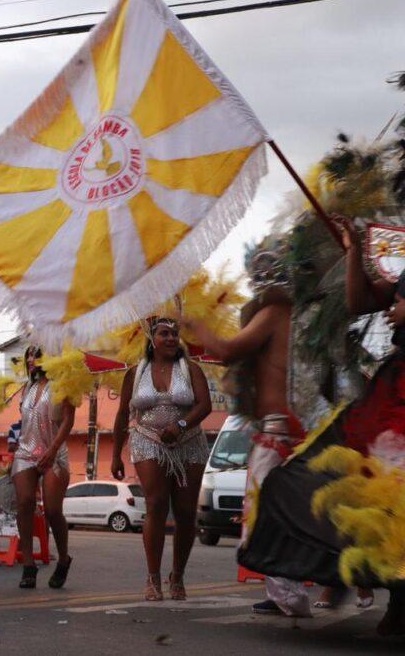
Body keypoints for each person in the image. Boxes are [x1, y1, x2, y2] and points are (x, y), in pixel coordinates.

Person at [183, 260, 313, 618]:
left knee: (265, 515)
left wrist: (195, 326)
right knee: (291, 514)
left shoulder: (275, 313)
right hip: (305, 429)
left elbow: (227, 351)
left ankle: (290, 596)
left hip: (279, 432)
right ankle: (293, 591)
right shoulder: (307, 317)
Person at [111, 318, 212, 601]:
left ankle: (177, 575)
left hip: (189, 441)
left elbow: (205, 405)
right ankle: (153, 577)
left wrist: (181, 425)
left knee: (185, 512)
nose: (171, 339)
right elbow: (123, 414)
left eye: (175, 334)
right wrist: (116, 454)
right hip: (147, 439)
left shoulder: (191, 369)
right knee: (155, 504)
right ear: (151, 338)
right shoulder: (135, 373)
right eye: (164, 334)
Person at [12, 346, 74, 590]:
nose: (30, 359)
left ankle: (64, 558)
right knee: (25, 502)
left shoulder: (64, 384)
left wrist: (52, 450)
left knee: (52, 510)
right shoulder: (27, 387)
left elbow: (68, 420)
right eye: (28, 355)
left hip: (54, 453)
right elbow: (25, 423)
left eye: (36, 355)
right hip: (26, 452)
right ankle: (28, 564)